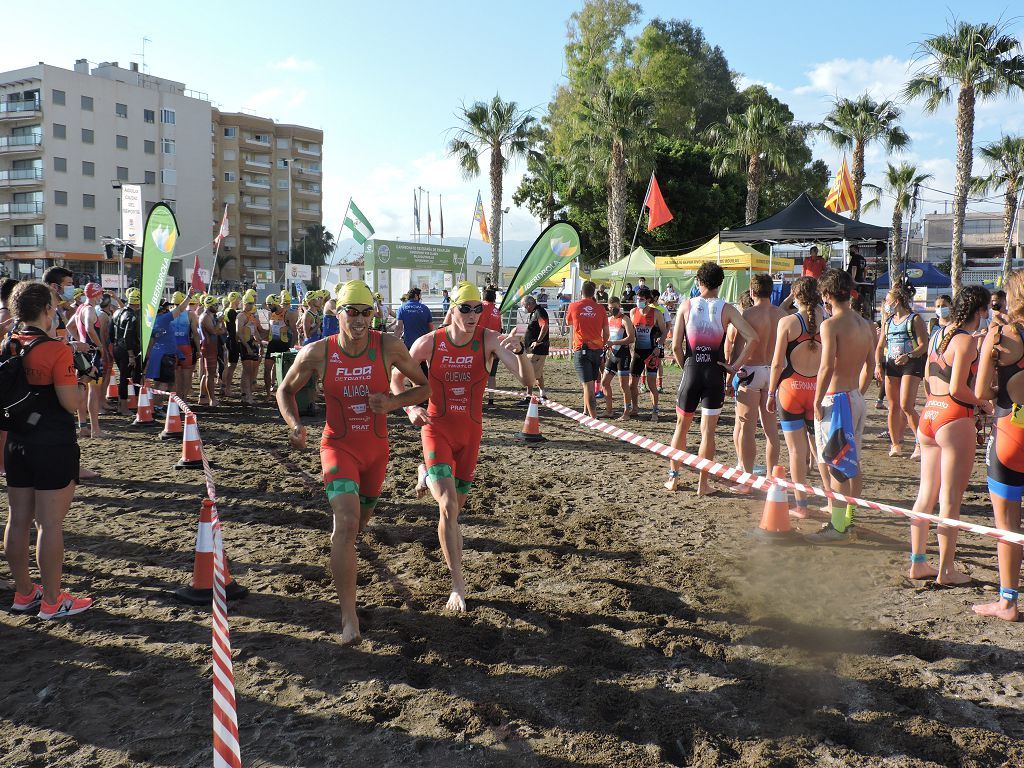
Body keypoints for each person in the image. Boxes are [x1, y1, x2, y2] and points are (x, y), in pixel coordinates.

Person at [277, 280, 430, 645]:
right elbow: (285, 389)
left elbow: (424, 387)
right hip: (337, 447)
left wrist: (393, 404)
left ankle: (345, 559)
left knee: (359, 524)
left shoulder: (388, 346)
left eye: (366, 312)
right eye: (352, 312)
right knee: (345, 525)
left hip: (376, 453)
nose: (360, 320)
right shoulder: (318, 352)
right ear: (338, 313)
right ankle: (350, 619)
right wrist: (295, 424)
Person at [396, 281, 534, 613]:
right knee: (448, 509)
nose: (474, 315)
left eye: (479, 309)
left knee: (457, 506)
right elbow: (396, 377)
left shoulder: (488, 339)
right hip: (436, 429)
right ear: (452, 309)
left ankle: (425, 474)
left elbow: (527, 381)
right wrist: (410, 407)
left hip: (470, 435)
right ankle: (457, 585)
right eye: (466, 308)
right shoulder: (430, 342)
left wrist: (519, 352)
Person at [4, 281, 92, 619]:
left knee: (18, 520)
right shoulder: (58, 350)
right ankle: (54, 601)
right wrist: (83, 383)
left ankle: (24, 594)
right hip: (52, 441)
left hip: (17, 440)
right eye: (54, 305)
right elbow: (70, 403)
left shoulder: (8, 343)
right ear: (45, 310)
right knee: (50, 524)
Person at [906, 285, 991, 582]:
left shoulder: (937, 335)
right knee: (950, 499)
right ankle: (946, 570)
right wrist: (984, 403)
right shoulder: (966, 340)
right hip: (954, 417)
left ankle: (917, 562)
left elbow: (930, 381)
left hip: (929, 415)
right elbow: (959, 388)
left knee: (926, 494)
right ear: (980, 311)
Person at [665, 262, 757, 495]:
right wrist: (734, 367)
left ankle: (674, 478)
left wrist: (685, 366)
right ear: (720, 283)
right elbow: (752, 338)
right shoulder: (727, 309)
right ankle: (702, 484)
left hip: (692, 371)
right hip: (715, 374)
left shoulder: (686, 306)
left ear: (698, 281)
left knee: (681, 427)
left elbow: (676, 346)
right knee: (708, 433)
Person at [812, 269, 877, 541]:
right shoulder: (866, 324)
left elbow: (826, 367)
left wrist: (816, 401)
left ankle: (838, 525)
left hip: (836, 399)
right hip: (854, 397)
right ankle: (848, 517)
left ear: (827, 295)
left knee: (836, 463)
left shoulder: (831, 325)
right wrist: (858, 394)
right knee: (853, 461)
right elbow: (871, 365)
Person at [975, 273, 1024, 620]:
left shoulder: (1005, 335)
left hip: (1012, 429)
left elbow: (980, 393)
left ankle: (1008, 601)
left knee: (1007, 525)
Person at [768, 277, 829, 516]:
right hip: (817, 390)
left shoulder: (787, 322)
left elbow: (775, 364)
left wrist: (771, 392)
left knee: (796, 451)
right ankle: (831, 499)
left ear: (795, 295)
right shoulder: (826, 321)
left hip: (791, 389)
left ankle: (801, 506)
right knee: (820, 449)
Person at [733, 274, 785, 482]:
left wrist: (732, 373)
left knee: (748, 427)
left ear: (752, 292)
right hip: (773, 372)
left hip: (751, 371)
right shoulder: (782, 315)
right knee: (771, 429)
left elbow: (739, 348)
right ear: (771, 291)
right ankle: (772, 476)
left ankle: (747, 478)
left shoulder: (747, 315)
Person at [875, 286, 928, 457]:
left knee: (906, 405)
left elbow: (923, 346)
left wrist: (909, 355)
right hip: (892, 364)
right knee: (893, 406)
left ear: (896, 301)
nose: (885, 304)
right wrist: (878, 365)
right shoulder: (888, 322)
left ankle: (919, 442)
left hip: (910, 364)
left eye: (888, 300)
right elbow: (880, 346)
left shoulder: (915, 319)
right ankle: (895, 443)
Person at [565, 281, 609, 419]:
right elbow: (606, 333)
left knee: (588, 386)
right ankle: (585, 412)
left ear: (581, 292)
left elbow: (568, 322)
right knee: (589, 384)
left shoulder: (573, 306)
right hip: (597, 350)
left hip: (582, 350)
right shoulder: (601, 309)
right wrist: (602, 344)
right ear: (594, 293)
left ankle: (593, 418)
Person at [628, 287, 666, 422]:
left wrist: (659, 346)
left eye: (642, 299)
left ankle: (655, 410)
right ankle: (635, 408)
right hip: (638, 352)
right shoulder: (633, 312)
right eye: (637, 299)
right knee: (632, 384)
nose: (639, 302)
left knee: (651, 384)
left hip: (651, 353)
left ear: (648, 300)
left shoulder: (656, 313)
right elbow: (630, 331)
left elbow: (664, 331)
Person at [73, 283, 105, 438]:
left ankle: (83, 427)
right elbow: (89, 328)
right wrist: (99, 346)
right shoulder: (90, 310)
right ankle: (95, 430)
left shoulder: (80, 308)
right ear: (96, 294)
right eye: (100, 294)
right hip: (92, 354)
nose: (102, 297)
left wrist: (79, 342)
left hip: (83, 352)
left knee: (82, 387)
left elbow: (69, 325)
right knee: (93, 391)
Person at [600, 295, 635, 419]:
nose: (612, 310)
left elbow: (631, 338)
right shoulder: (609, 320)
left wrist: (613, 343)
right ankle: (609, 410)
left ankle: (626, 412)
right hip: (612, 354)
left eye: (614, 307)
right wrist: (606, 344)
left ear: (619, 306)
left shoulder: (625, 319)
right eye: (610, 308)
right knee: (604, 382)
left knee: (623, 385)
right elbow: (610, 336)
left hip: (623, 355)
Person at [111, 288, 141, 416]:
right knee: (126, 377)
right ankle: (123, 407)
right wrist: (131, 355)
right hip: (127, 350)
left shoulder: (118, 311)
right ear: (138, 303)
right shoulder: (132, 316)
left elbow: (111, 332)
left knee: (123, 376)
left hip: (117, 348)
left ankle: (121, 405)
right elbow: (128, 336)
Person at [198, 295, 225, 407]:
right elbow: (215, 331)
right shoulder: (205, 317)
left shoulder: (210, 316)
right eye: (215, 305)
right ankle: (212, 399)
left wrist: (220, 326)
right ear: (209, 306)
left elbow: (221, 330)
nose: (217, 306)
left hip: (211, 346)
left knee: (207, 374)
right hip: (209, 347)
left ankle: (202, 396)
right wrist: (219, 322)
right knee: (210, 374)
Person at [522, 295, 549, 401]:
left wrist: (538, 341)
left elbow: (544, 326)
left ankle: (528, 396)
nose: (524, 308)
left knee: (530, 373)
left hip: (537, 349)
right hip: (533, 349)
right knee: (538, 373)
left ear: (529, 304)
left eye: (524, 305)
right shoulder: (535, 312)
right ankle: (543, 394)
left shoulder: (539, 312)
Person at [479, 288, 504, 410]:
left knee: (478, 373)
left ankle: (477, 398)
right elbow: (500, 329)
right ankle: (491, 400)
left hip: (479, 344)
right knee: (492, 375)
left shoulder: (480, 307)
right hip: (494, 344)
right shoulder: (497, 311)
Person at [263, 294, 291, 395]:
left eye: (269, 305)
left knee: (285, 372)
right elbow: (269, 330)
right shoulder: (271, 314)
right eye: (267, 305)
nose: (268, 307)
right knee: (266, 370)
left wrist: (292, 346)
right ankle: (268, 394)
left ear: (275, 303)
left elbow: (294, 331)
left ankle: (284, 392)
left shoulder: (287, 313)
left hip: (283, 345)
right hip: (272, 345)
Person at [221, 292, 241, 398]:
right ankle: (227, 389)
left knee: (229, 366)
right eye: (238, 299)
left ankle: (225, 387)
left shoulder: (226, 310)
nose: (239, 301)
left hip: (229, 339)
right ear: (234, 300)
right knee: (231, 366)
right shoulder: (232, 312)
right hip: (232, 340)